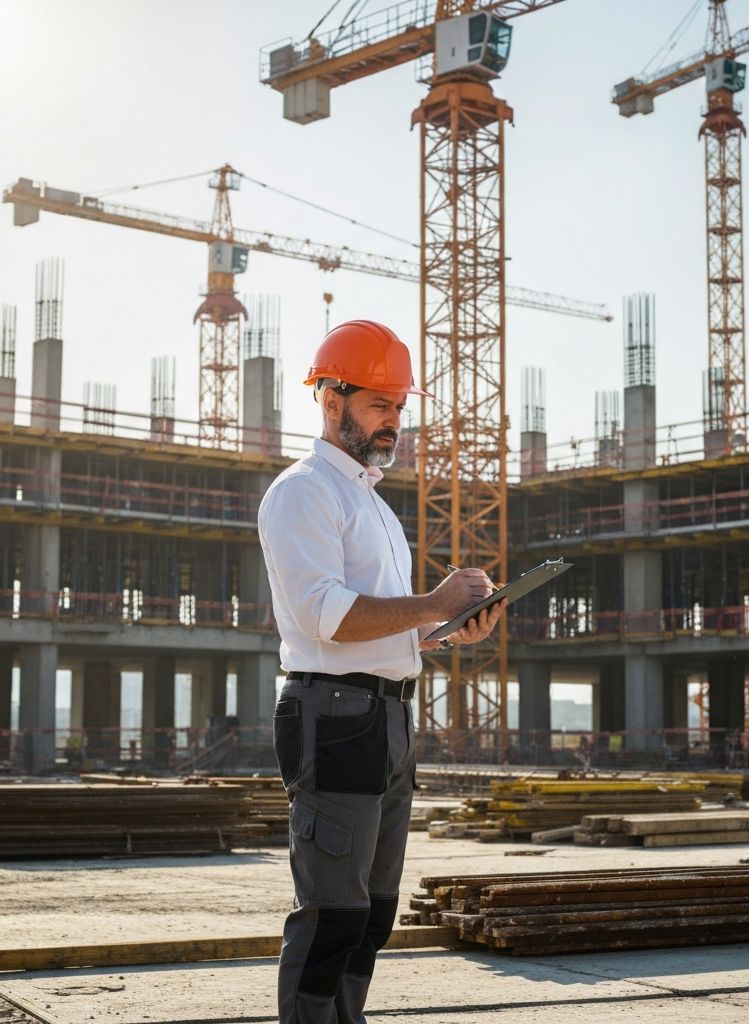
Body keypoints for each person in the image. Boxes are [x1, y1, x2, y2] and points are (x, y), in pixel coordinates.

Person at [258, 319, 505, 1024]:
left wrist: (447, 628)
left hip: (388, 715)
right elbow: (323, 615)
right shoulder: (304, 492)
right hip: (334, 715)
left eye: (398, 406)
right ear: (331, 400)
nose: (393, 420)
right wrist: (433, 602)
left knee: (372, 912)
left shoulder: (374, 506)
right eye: (379, 405)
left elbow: (389, 624)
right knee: (332, 912)